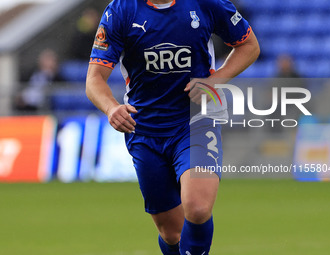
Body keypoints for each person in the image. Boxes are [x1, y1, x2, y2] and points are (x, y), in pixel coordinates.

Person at [86, 0, 260, 254]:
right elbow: (94, 79)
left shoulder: (205, 3)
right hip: (144, 129)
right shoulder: (121, 9)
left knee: (198, 207)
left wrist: (214, 80)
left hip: (196, 119)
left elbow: (249, 45)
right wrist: (112, 108)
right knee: (171, 233)